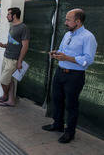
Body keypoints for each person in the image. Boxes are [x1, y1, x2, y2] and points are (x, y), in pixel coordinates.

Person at [42, 9, 97, 144]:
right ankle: (58, 124)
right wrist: (57, 53)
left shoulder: (88, 37)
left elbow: (88, 60)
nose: (65, 22)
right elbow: (62, 50)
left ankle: (70, 132)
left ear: (77, 21)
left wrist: (67, 58)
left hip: (75, 76)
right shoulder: (67, 34)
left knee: (71, 105)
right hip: (60, 72)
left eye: (68, 20)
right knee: (57, 99)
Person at [0, 7, 30, 107]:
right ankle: (11, 100)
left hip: (13, 59)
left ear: (14, 15)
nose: (7, 16)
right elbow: (13, 42)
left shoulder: (23, 27)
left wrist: (19, 61)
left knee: (3, 80)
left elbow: (25, 46)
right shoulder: (12, 26)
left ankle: (5, 95)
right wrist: (4, 45)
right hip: (6, 56)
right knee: (10, 80)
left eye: (8, 14)